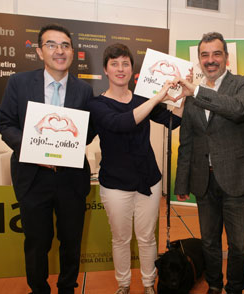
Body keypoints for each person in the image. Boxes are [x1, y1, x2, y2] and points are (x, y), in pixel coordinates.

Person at [0, 24, 95, 294]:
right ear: (40, 52)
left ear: (72, 53)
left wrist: (69, 142)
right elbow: (5, 124)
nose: (59, 51)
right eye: (51, 45)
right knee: (36, 241)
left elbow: (87, 133)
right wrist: (33, 149)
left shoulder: (85, 91)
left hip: (71, 178)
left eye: (64, 45)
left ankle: (67, 288)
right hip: (32, 177)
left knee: (71, 240)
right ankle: (38, 289)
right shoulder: (18, 83)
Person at [87, 43, 185, 294]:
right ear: (106, 70)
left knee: (147, 237)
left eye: (125, 63)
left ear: (132, 69)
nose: (120, 69)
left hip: (147, 179)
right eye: (114, 64)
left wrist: (183, 94)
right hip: (115, 183)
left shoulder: (143, 98)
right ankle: (123, 284)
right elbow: (121, 123)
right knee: (120, 239)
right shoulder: (98, 105)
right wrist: (157, 97)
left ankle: (149, 284)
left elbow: (174, 120)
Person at [174, 32, 244, 294]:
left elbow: (238, 110)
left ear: (226, 56)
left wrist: (198, 91)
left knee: (239, 245)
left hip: (238, 179)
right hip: (204, 181)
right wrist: (182, 181)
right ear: (199, 59)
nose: (210, 60)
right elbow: (187, 141)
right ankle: (214, 285)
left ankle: (234, 288)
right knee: (210, 242)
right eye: (204, 55)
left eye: (216, 54)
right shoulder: (191, 94)